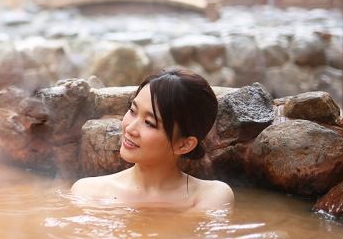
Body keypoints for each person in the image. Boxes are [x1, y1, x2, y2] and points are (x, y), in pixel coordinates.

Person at [71, 68, 234, 210]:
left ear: (184, 144)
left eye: (149, 122)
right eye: (133, 111)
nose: (130, 128)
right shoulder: (88, 192)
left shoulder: (211, 196)